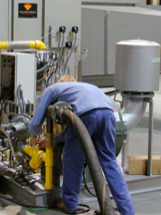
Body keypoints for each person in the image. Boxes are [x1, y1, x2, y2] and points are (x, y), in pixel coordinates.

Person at [29, 75, 135, 215]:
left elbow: (37, 121)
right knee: (109, 162)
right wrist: (54, 139)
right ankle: (127, 210)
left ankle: (70, 204)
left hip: (85, 115)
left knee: (73, 159)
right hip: (108, 114)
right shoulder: (86, 87)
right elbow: (72, 132)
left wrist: (33, 135)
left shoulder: (53, 89)